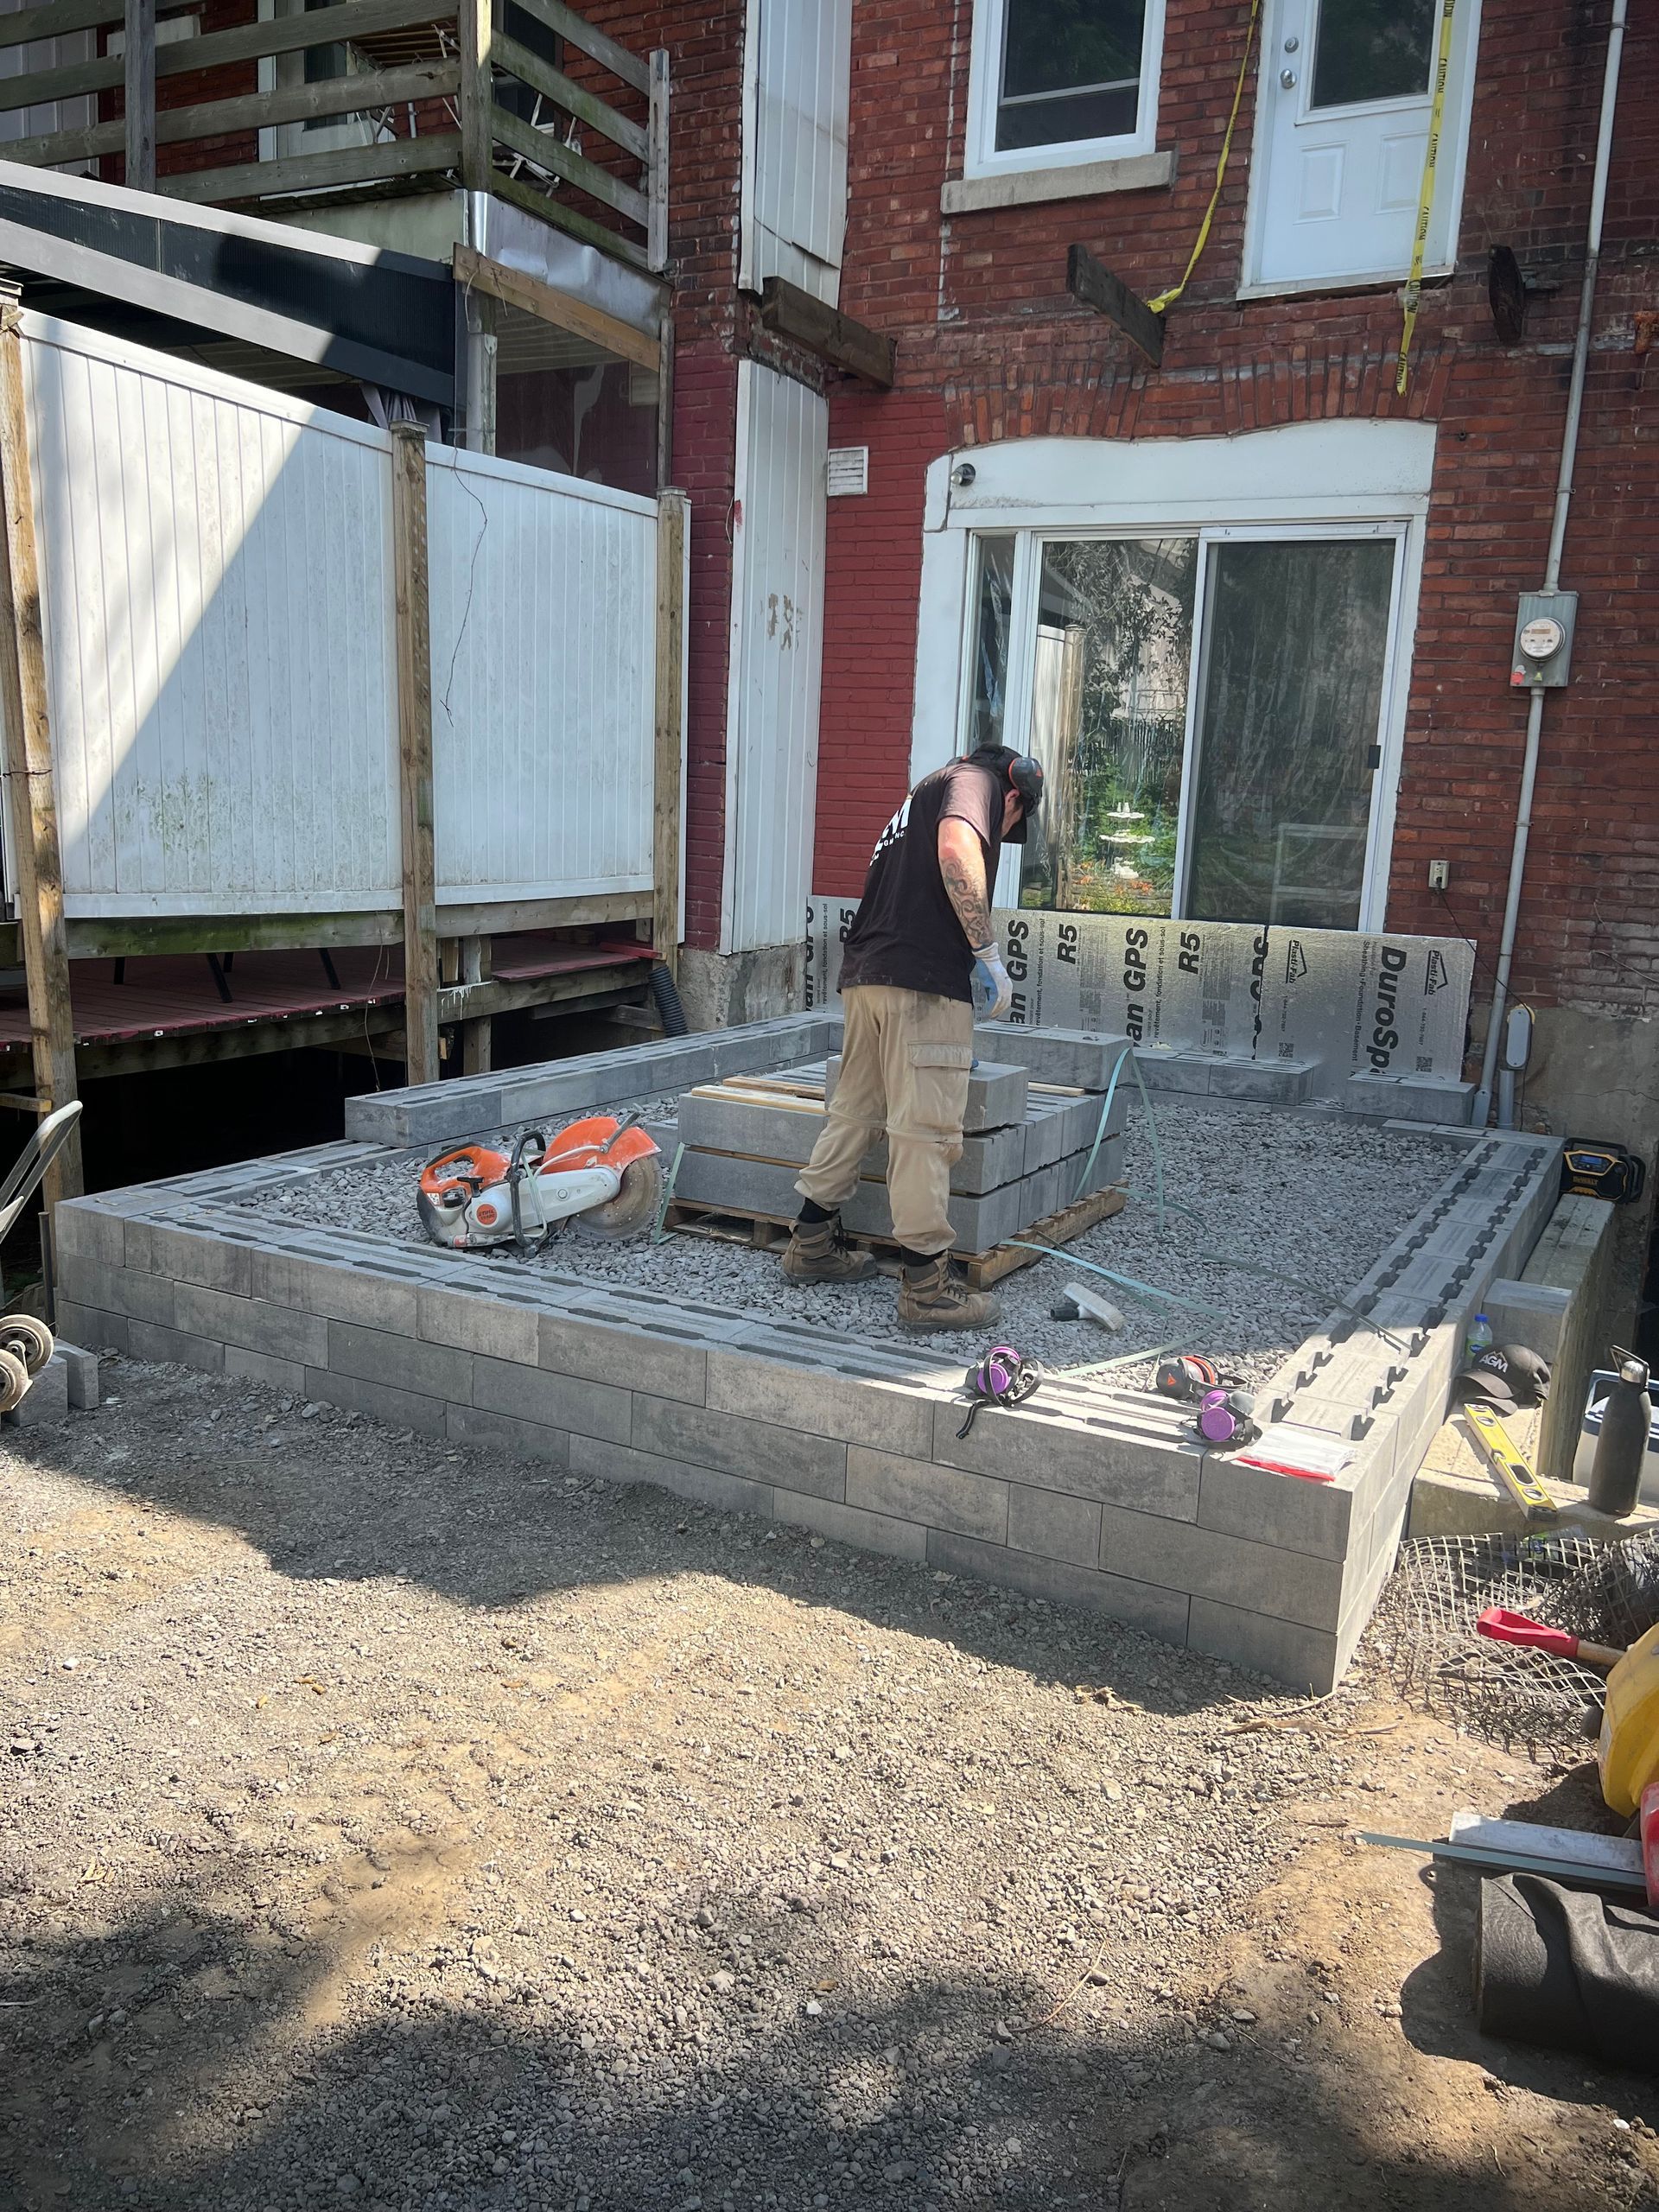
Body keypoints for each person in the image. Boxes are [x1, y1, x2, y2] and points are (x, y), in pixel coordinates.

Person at [781, 745, 1044, 1331]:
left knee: (857, 1113)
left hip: (868, 978)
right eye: (1010, 823)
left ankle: (811, 1243)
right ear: (1013, 793)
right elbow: (956, 847)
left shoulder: (919, 797)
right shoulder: (974, 782)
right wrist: (986, 952)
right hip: (923, 985)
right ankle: (927, 1290)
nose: (1000, 834)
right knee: (925, 1131)